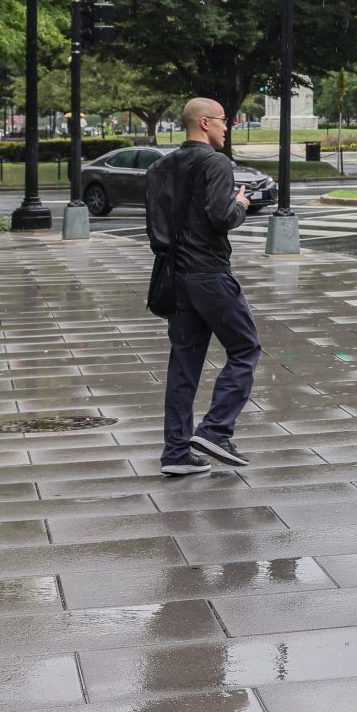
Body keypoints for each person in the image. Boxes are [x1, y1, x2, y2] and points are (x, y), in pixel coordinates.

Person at [146, 98, 258, 475]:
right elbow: (222, 217)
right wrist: (240, 203)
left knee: (184, 366)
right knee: (245, 348)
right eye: (225, 121)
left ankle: (176, 453)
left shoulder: (161, 166)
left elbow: (157, 227)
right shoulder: (216, 162)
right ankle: (215, 430)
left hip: (176, 277)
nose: (229, 127)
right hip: (209, 273)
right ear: (205, 122)